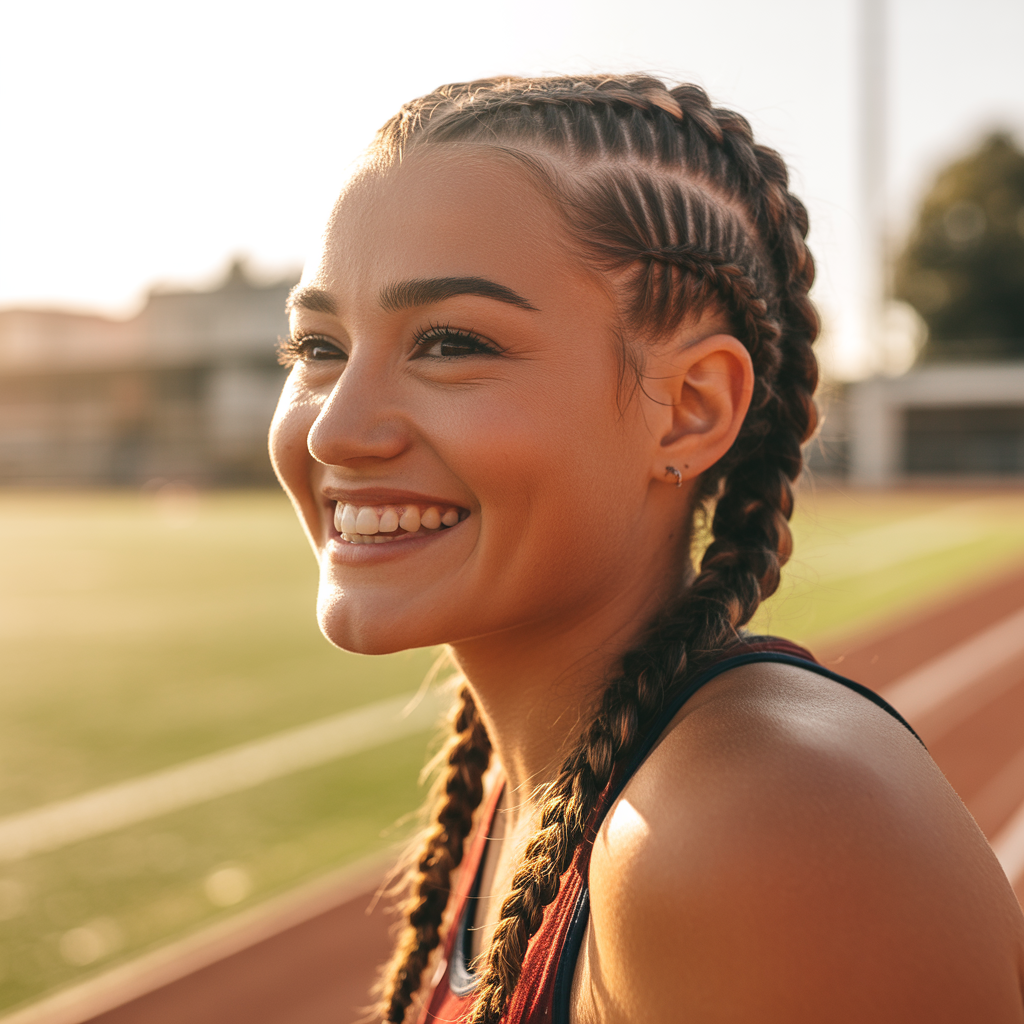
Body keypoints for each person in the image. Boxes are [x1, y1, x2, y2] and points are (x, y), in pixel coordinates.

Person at [269, 75, 1024, 1023]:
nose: (336, 431)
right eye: (315, 348)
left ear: (691, 408)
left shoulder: (757, 826)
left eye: (450, 342)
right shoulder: (547, 782)